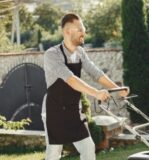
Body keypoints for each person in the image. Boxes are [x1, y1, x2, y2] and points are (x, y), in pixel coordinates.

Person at [41, 13, 129, 160]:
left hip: (73, 109)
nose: (84, 33)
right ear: (68, 31)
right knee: (54, 153)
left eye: (84, 29)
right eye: (80, 29)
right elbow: (71, 79)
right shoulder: (52, 54)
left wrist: (118, 89)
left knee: (88, 148)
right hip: (54, 111)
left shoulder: (80, 52)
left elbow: (96, 73)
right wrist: (95, 93)